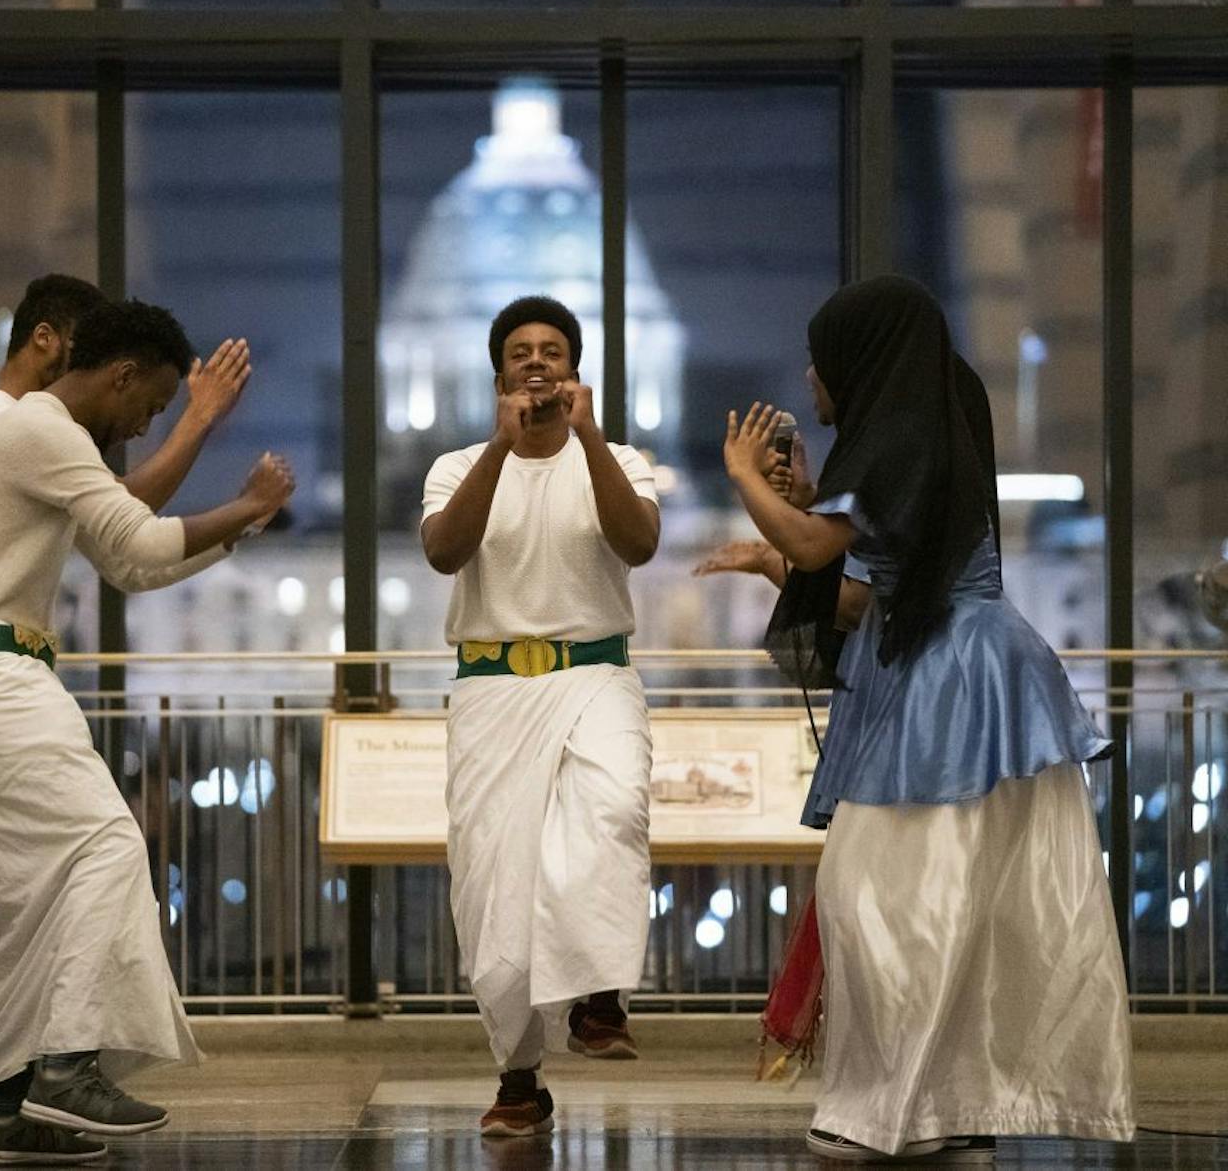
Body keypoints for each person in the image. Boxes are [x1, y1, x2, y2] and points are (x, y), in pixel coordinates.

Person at [717, 275, 1133, 1163]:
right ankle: (944, 1108)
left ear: (856, 362)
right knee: (938, 908)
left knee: (887, 900)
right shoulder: (921, 432)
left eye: (820, 360)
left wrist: (747, 480)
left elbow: (821, 549)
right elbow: (866, 594)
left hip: (954, 685)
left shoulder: (901, 435)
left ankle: (893, 1111)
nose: (810, 376)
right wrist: (778, 542)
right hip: (960, 673)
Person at [0, 298, 295, 1167]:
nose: (143, 423)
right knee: (108, 844)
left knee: (24, 902)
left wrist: (237, 521)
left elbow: (122, 561)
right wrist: (246, 503)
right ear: (119, 375)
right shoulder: (42, 430)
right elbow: (141, 545)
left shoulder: (22, 433)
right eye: (148, 406)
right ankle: (65, 1066)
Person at [420, 296, 661, 1138]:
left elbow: (638, 543)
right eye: (520, 351)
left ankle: (600, 996)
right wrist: (502, 442)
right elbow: (446, 550)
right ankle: (519, 1076)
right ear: (498, 374)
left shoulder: (617, 457)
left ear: (575, 369)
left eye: (552, 350)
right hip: (491, 689)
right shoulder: (457, 464)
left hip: (594, 674)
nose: (536, 362)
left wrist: (587, 438)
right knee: (495, 894)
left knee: (612, 807)